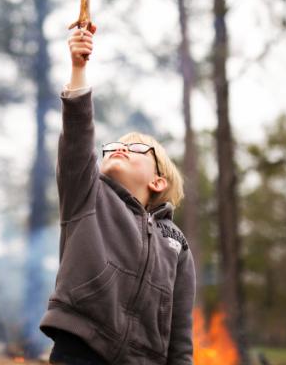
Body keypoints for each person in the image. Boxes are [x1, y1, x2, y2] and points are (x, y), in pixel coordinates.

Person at [39, 26, 196, 365]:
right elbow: (78, 134)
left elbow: (180, 334)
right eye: (113, 146)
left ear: (157, 182)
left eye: (135, 146)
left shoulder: (177, 243)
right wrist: (78, 67)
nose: (118, 148)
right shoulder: (87, 194)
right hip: (81, 349)